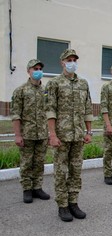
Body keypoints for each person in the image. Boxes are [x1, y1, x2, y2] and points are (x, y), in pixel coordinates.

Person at [45, 49, 93, 222]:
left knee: (76, 171)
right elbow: (50, 110)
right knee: (60, 172)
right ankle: (62, 205)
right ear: (62, 62)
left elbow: (88, 109)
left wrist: (89, 131)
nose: (72, 62)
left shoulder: (83, 83)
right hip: (61, 136)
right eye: (69, 59)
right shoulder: (54, 83)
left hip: (78, 135)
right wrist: (52, 135)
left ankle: (73, 202)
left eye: (74, 59)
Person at [10, 59, 50, 204]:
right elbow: (16, 115)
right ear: (28, 71)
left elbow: (50, 112)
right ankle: (27, 189)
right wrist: (17, 135)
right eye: (35, 69)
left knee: (39, 162)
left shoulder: (46, 91)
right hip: (27, 134)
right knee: (27, 163)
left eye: (40, 68)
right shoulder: (20, 91)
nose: (38, 71)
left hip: (43, 134)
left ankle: (37, 187)